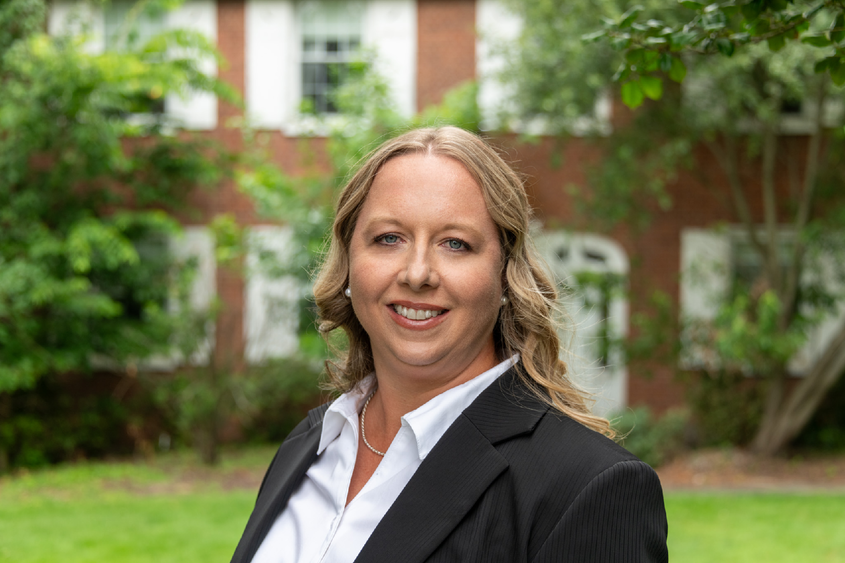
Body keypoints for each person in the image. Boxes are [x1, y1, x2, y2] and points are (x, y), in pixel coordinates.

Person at [231, 127, 668, 563]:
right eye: (389, 238)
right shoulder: (312, 442)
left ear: (505, 275)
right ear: (349, 263)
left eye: (456, 244)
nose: (417, 273)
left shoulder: (587, 486)